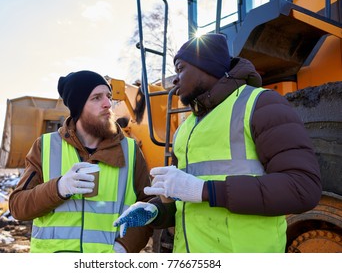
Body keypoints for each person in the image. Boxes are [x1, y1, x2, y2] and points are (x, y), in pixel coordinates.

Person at [113, 33, 322, 253]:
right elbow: (184, 201)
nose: (175, 80)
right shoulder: (185, 129)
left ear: (208, 67)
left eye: (181, 69)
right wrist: (156, 211)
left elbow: (302, 188)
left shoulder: (261, 104)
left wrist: (205, 190)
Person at [9, 70, 153, 253]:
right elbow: (18, 207)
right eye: (96, 98)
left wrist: (123, 248)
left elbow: (148, 208)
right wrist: (59, 188)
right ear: (78, 106)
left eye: (108, 97)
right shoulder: (45, 146)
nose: (108, 104)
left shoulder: (131, 151)